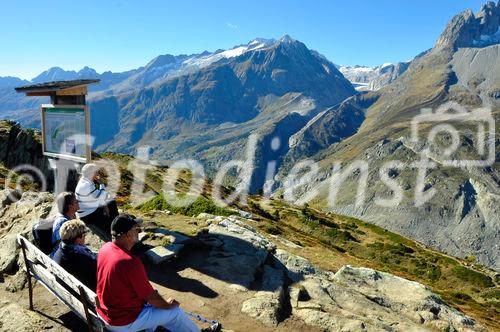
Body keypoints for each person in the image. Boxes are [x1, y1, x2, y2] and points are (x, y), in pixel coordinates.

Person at [96, 214, 199, 332]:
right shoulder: (130, 262)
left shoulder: (105, 248)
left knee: (157, 309)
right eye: (136, 229)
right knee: (175, 312)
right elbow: (151, 298)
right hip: (122, 322)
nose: (139, 232)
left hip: (106, 313)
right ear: (129, 234)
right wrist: (168, 304)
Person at [75, 163, 118, 238]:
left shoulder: (85, 181)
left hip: (89, 210)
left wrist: (105, 207)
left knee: (111, 202)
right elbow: (102, 195)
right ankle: (116, 228)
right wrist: (101, 184)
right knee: (111, 203)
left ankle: (116, 224)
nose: (97, 174)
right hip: (89, 215)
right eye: (96, 172)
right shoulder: (86, 185)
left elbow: (99, 197)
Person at [53, 219, 97, 291]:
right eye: (84, 235)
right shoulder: (80, 256)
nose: (85, 238)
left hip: (72, 289)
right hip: (89, 293)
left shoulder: (60, 251)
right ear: (77, 239)